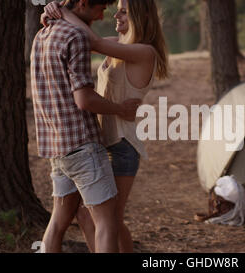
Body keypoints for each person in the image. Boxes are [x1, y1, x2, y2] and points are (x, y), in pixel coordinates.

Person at [41, 0, 169, 252]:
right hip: (100, 141)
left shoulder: (145, 52)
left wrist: (63, 11)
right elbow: (78, 39)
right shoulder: (119, 46)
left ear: (140, 17)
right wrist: (52, 15)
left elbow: (93, 42)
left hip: (122, 144)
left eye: (124, 11)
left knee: (107, 219)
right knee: (100, 218)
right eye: (117, 8)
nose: (116, 14)